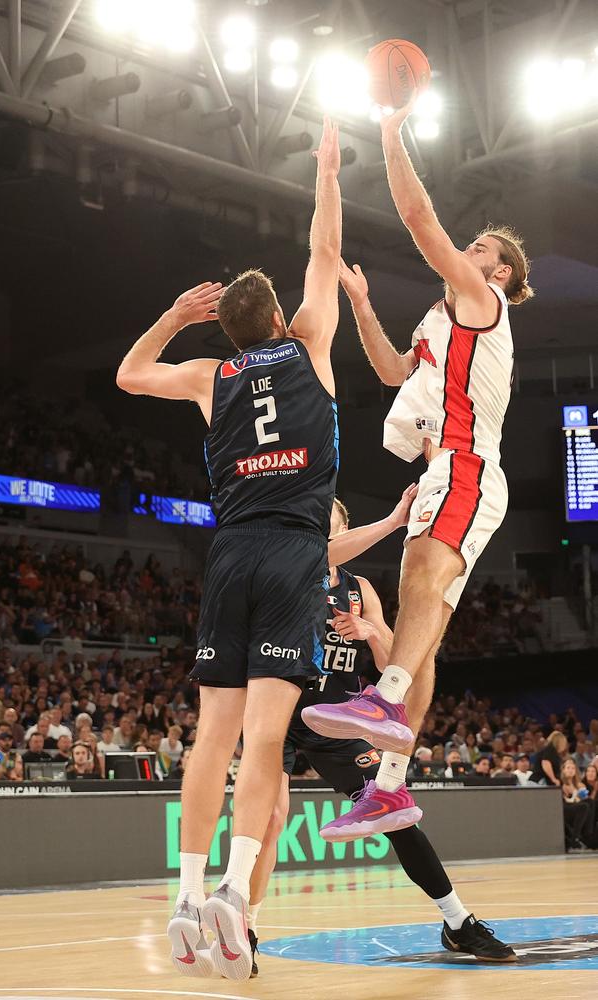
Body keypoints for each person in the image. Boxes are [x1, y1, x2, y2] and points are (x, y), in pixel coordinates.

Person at [118, 118, 343, 982]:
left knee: (211, 734)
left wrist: (174, 317)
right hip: (290, 554)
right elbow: (325, 244)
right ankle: (237, 898)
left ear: (228, 331)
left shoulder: (210, 377)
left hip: (229, 554)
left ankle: (184, 893)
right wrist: (325, 169)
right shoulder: (313, 344)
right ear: (280, 319)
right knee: (265, 739)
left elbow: (130, 376)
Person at [302, 94, 533, 835]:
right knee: (420, 623)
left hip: (464, 464)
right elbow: (391, 371)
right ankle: (393, 785)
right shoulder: (439, 321)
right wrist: (364, 306)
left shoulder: (480, 302)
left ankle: (384, 698)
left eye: (481, 251)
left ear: (500, 275)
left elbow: (419, 220)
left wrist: (390, 134)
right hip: (451, 472)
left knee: (416, 586)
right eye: (473, 250)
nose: (468, 253)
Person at [246, 498, 515, 974]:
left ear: (346, 525)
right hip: (281, 712)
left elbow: (398, 660)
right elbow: (322, 551)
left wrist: (371, 628)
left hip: (338, 719)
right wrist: (394, 521)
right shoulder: (294, 563)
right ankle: (246, 926)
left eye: (325, 514)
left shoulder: (360, 588)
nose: (314, 519)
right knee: (271, 816)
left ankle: (457, 921)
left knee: (396, 812)